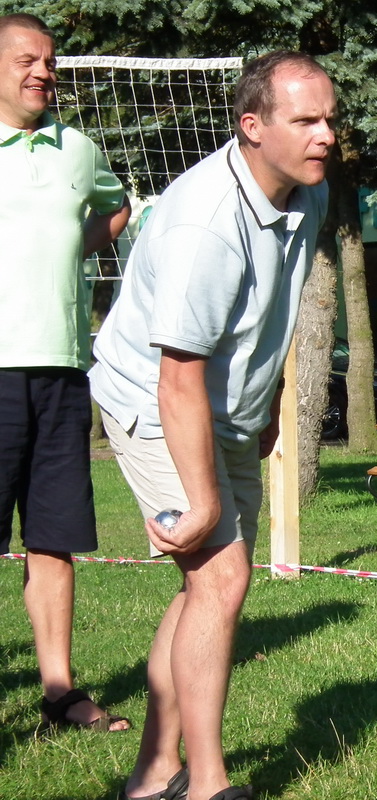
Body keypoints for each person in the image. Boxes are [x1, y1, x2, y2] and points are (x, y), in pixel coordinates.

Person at [90, 50, 337, 800]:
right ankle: (207, 786)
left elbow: (276, 308)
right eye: (307, 120)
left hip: (225, 408)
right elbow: (177, 376)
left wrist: (263, 408)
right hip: (156, 400)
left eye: (331, 119)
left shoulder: (309, 192)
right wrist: (201, 502)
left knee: (210, 589)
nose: (327, 135)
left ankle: (152, 774)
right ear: (252, 126)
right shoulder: (206, 222)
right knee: (221, 578)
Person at [0, 14, 131, 732]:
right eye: (27, 59)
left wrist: (65, 249)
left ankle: (59, 693)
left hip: (60, 371)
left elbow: (117, 207)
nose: (43, 72)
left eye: (49, 62)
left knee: (52, 537)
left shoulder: (77, 149)